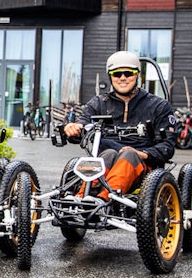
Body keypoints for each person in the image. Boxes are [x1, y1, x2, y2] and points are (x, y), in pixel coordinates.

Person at [63, 50, 176, 199]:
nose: (122, 78)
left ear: (137, 75)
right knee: (108, 153)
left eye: (128, 73)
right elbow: (83, 124)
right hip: (105, 162)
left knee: (129, 154)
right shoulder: (98, 103)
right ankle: (81, 198)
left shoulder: (159, 106)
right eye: (117, 74)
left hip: (142, 167)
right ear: (111, 77)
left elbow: (167, 146)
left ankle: (104, 200)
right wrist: (74, 128)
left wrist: (142, 154)